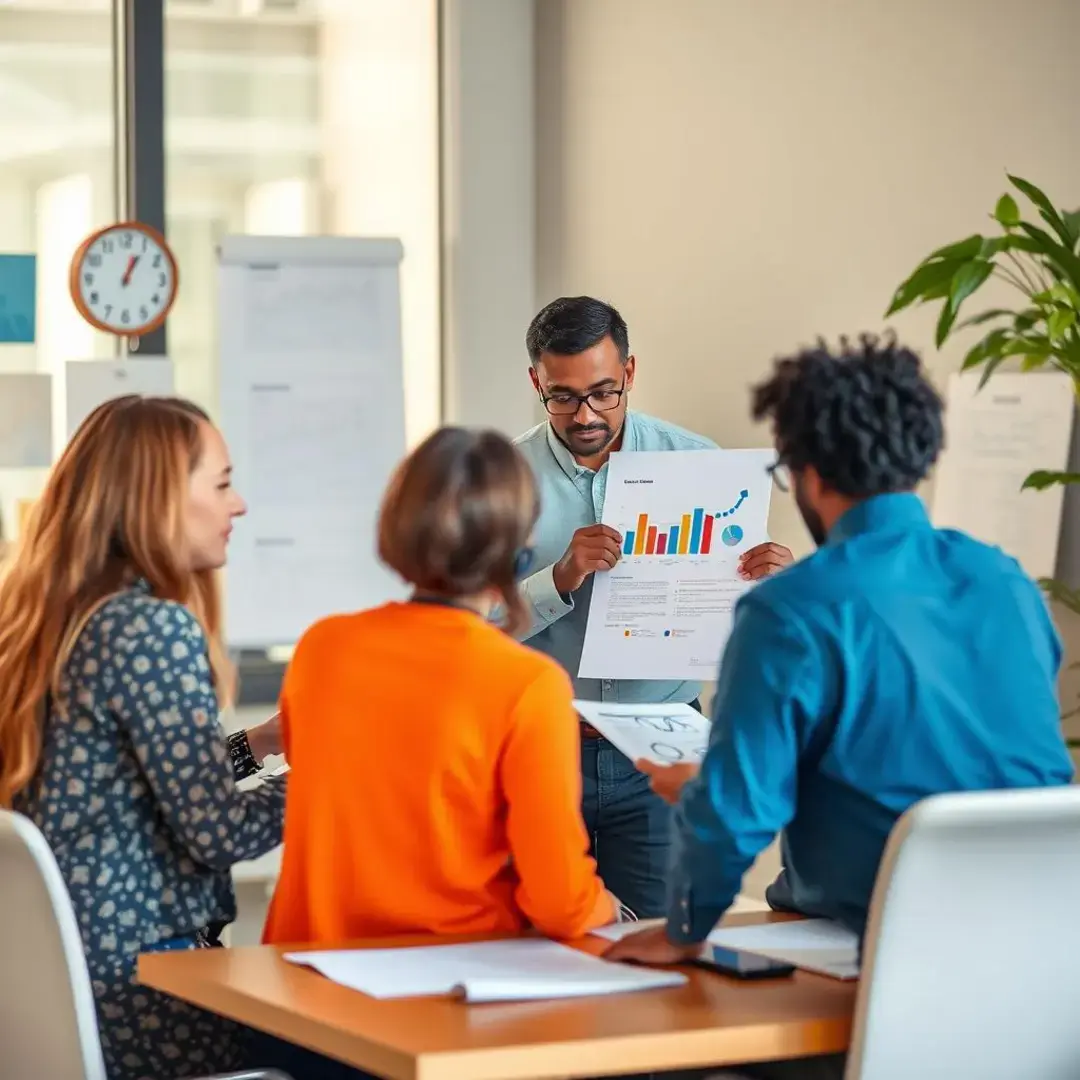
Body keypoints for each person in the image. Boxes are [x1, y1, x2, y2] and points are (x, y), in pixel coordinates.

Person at [607, 335, 1075, 1079]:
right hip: (1044, 988)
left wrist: (686, 928)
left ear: (808, 472)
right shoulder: (1007, 583)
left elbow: (736, 816)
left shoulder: (792, 610)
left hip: (874, 982)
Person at [0, 396, 286, 1080]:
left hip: (62, 990)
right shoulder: (149, 629)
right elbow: (218, 831)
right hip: (146, 993)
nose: (238, 504)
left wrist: (264, 740)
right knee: (331, 1053)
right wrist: (343, 768)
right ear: (158, 496)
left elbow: (131, 783)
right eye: (220, 483)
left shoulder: (61, 620)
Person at [263, 425, 614, 948]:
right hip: (446, 984)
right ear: (520, 553)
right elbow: (562, 902)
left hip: (305, 978)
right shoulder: (527, 684)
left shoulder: (322, 648)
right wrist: (615, 910)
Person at [514, 296, 793, 918]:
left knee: (665, 950)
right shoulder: (503, 479)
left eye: (604, 393)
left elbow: (734, 617)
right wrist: (555, 579)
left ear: (630, 374)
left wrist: (770, 585)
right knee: (539, 947)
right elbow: (472, 625)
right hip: (543, 750)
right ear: (537, 381)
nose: (586, 414)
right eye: (562, 396)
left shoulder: (700, 463)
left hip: (661, 749)